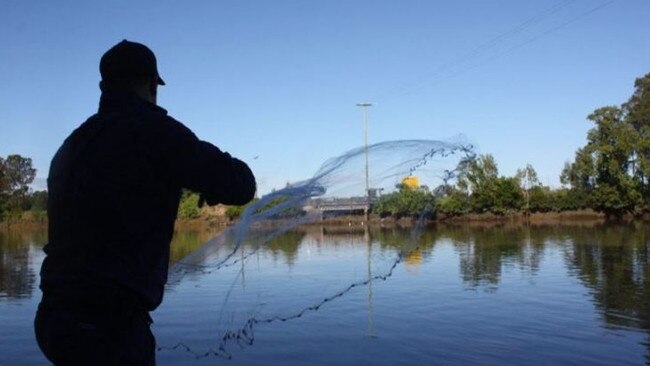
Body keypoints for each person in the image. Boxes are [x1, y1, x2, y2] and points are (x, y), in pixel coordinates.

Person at [34, 40, 256, 365]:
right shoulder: (156, 132)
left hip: (54, 321)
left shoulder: (73, 144)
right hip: (109, 329)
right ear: (153, 84)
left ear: (102, 86)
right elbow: (240, 185)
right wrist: (199, 180)